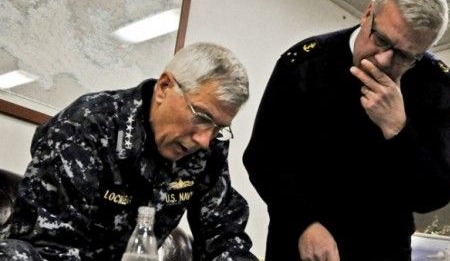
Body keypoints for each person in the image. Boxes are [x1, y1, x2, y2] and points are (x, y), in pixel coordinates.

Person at [243, 0, 450, 260]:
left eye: (405, 56)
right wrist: (303, 222)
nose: (384, 60)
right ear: (368, 12)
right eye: (381, 39)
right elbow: (263, 158)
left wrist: (398, 129)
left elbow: (434, 193)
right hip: (301, 243)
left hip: (383, 246)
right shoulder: (304, 64)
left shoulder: (437, 86)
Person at [0, 42, 258, 261]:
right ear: (165, 87)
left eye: (218, 128)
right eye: (201, 116)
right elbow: (53, 247)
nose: (204, 140)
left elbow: (224, 235)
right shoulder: (86, 126)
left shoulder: (206, 148)